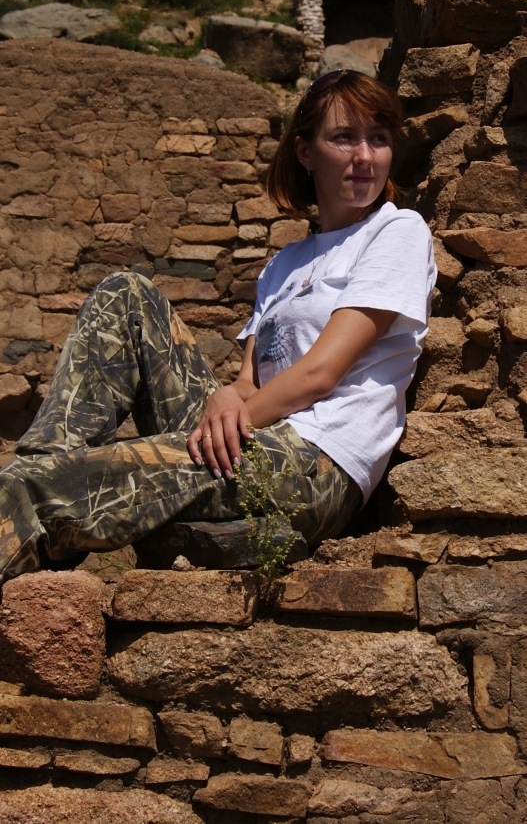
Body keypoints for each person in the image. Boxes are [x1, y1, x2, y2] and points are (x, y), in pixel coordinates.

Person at [0, 70, 436, 583]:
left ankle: (35, 490)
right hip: (256, 435)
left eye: (378, 139)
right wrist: (229, 395)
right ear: (305, 151)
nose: (365, 156)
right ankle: (48, 461)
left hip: (317, 461)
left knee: (37, 488)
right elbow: (251, 378)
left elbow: (321, 373)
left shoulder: (396, 231)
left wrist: (233, 417)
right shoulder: (284, 264)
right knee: (126, 293)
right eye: (344, 137)